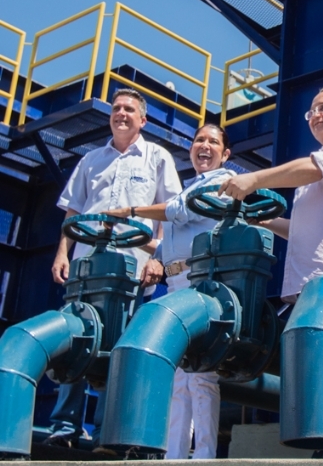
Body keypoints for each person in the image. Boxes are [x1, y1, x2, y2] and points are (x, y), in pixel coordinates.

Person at [219, 86, 323, 457]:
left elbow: (314, 167)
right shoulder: (319, 166)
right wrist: (269, 220)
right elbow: (303, 229)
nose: (315, 115)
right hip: (312, 281)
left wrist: (254, 180)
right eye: (311, 111)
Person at [45, 88, 182, 451]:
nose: (121, 114)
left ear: (143, 119)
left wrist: (158, 258)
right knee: (76, 340)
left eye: (129, 110)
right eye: (116, 108)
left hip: (133, 271)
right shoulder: (91, 159)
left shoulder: (157, 157)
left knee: (123, 345)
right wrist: (63, 252)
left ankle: (109, 430)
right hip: (86, 269)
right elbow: (73, 211)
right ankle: (65, 427)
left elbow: (168, 210)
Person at [104, 123, 235, 459]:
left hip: (202, 280)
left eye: (212, 142)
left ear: (225, 154)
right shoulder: (189, 186)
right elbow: (173, 238)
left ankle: (204, 455)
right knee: (181, 378)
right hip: (177, 282)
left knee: (201, 375)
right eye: (199, 140)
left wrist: (131, 211)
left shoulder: (221, 181)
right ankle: (175, 455)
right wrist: (153, 254)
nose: (204, 147)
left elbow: (179, 212)